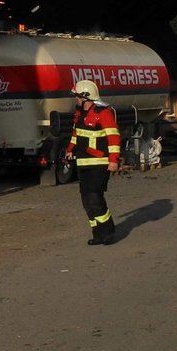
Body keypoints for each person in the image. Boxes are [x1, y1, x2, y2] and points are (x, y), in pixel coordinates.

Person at [63, 79, 120, 245]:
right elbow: (76, 134)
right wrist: (69, 150)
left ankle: (108, 232)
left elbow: (113, 137)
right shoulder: (80, 113)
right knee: (87, 201)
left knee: (95, 198)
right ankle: (97, 234)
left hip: (99, 163)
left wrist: (113, 161)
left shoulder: (103, 112)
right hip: (83, 163)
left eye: (77, 96)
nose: (76, 99)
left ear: (85, 97)